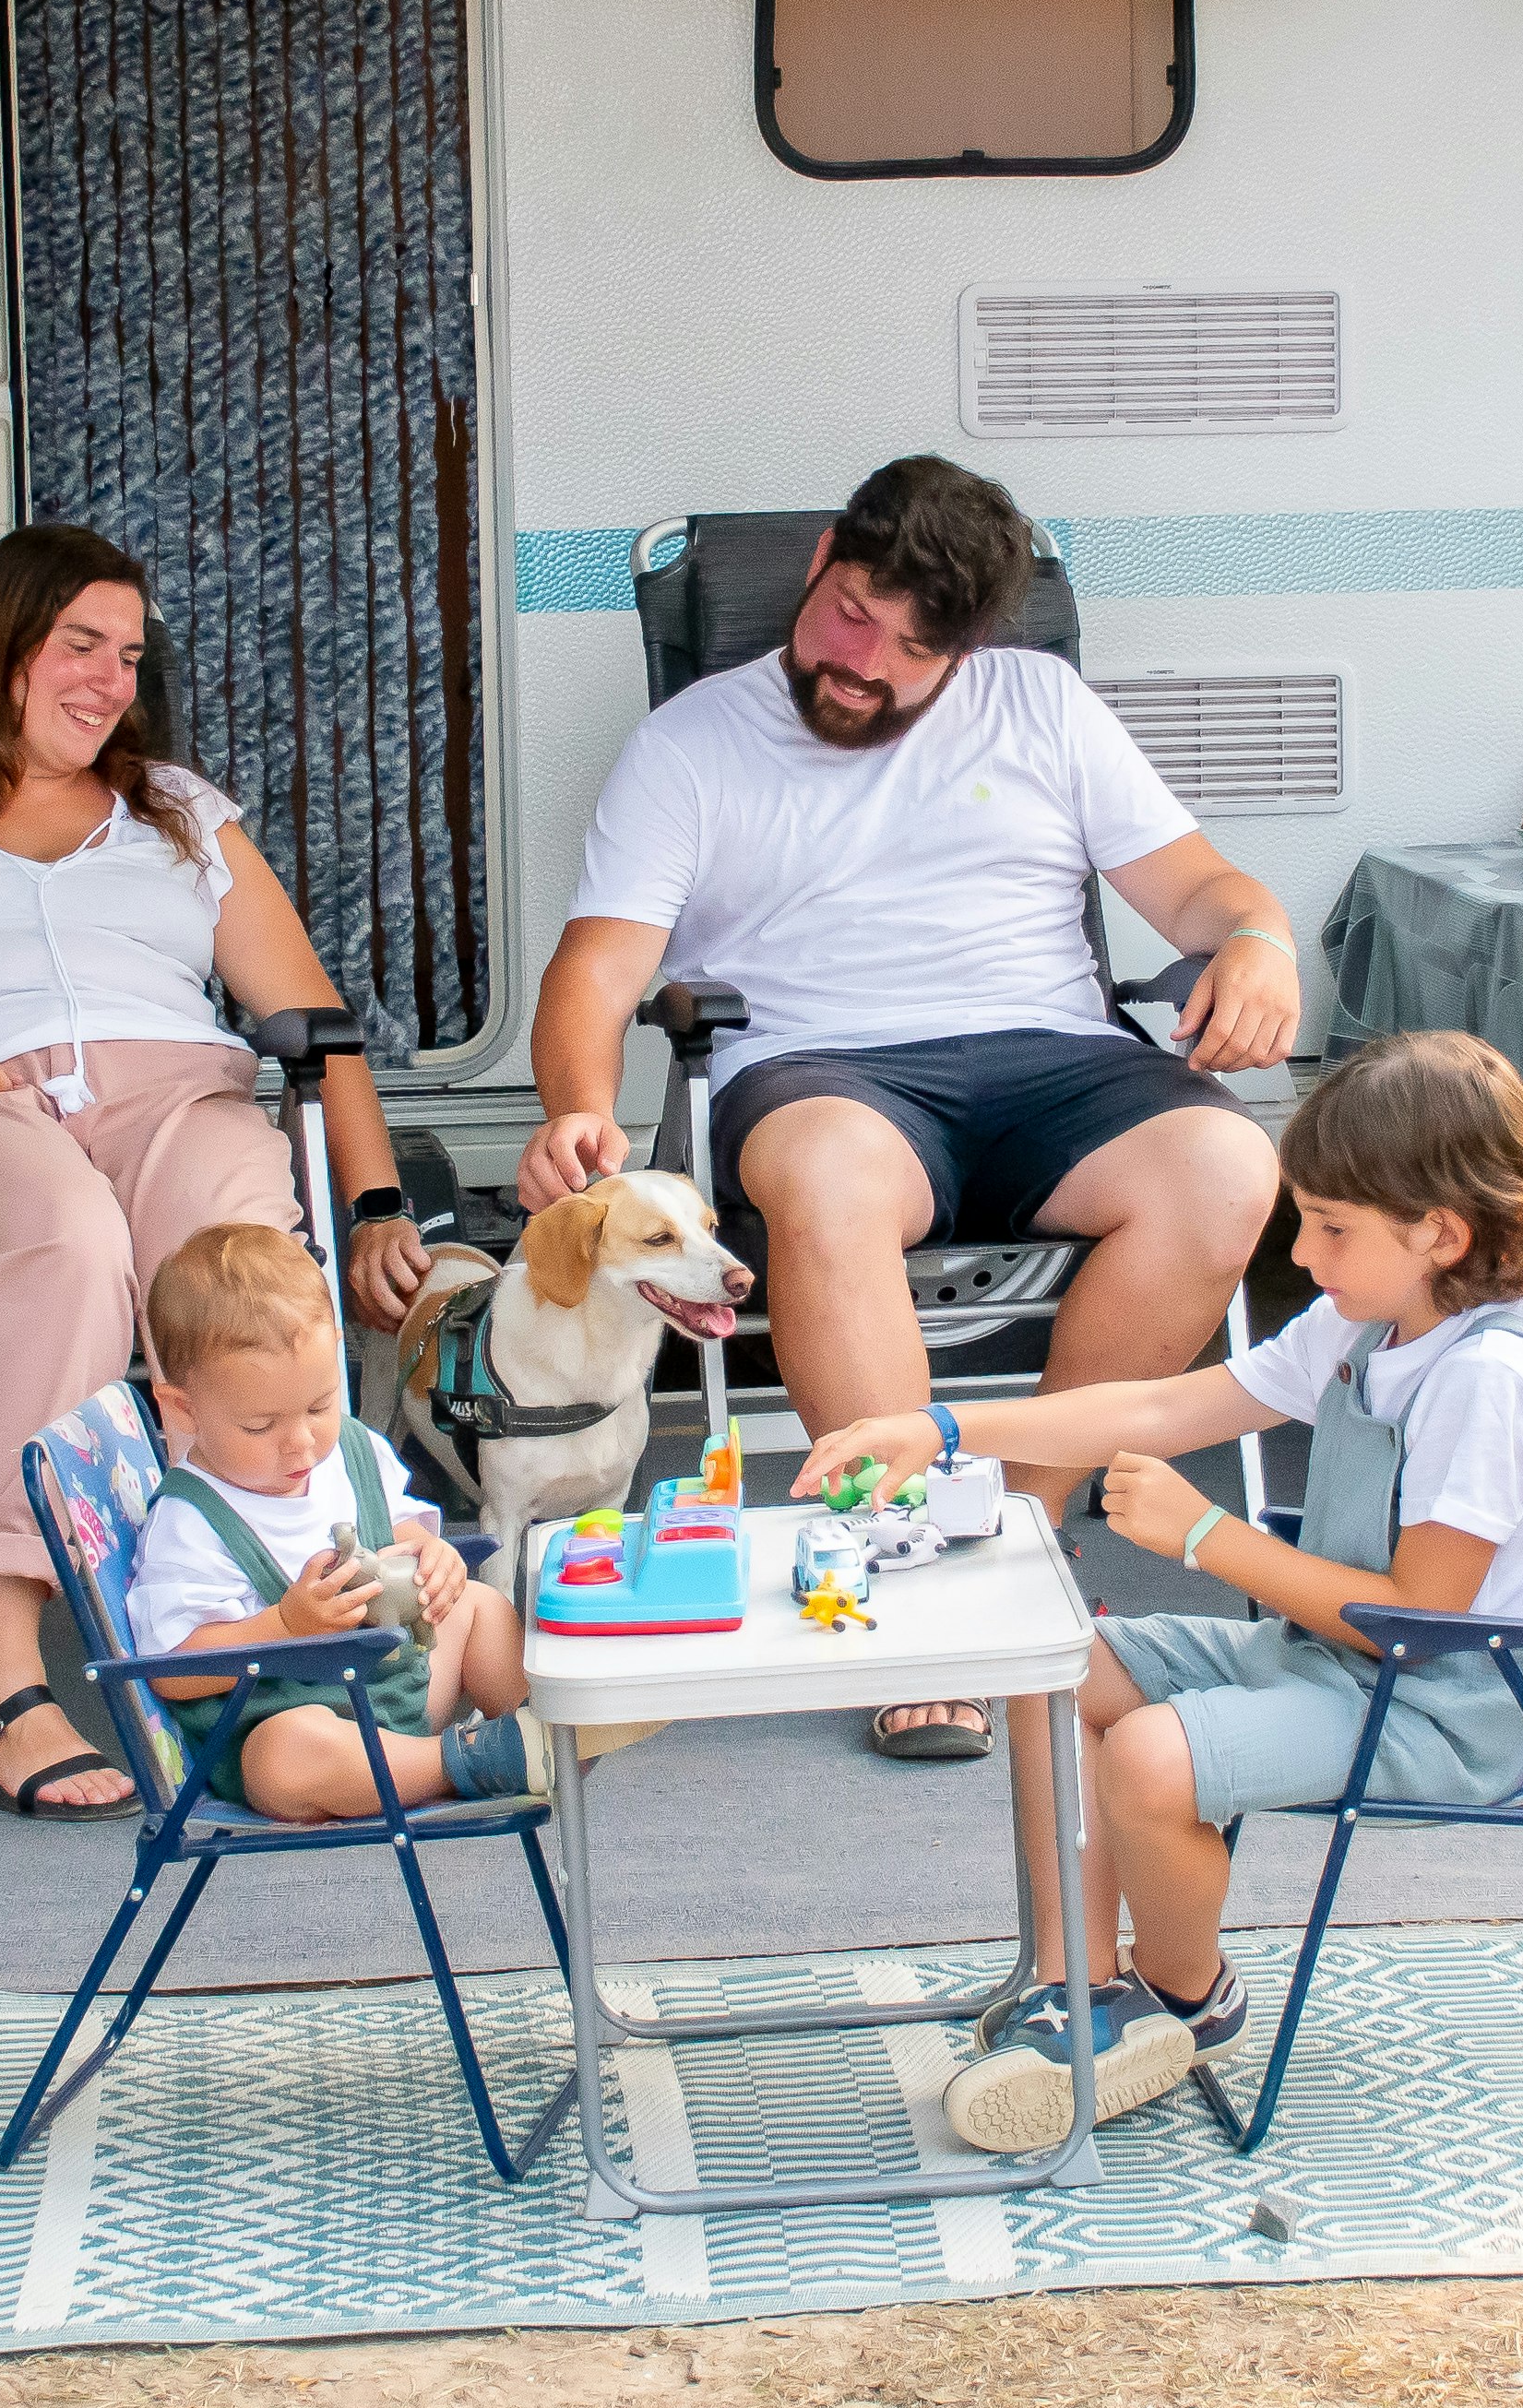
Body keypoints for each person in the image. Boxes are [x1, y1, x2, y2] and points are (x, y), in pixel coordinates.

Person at [516, 456, 1297, 1762]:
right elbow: (597, 966)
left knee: (1223, 1168)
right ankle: (920, 1561)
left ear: (973, 645)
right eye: (848, 612)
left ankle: (998, 1558)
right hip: (830, 1069)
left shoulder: (1042, 705)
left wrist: (1258, 938)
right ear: (821, 555)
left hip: (1053, 1056)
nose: (859, 662)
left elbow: (1201, 890)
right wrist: (576, 1110)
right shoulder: (693, 740)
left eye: (908, 649)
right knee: (825, 1173)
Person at [0, 524, 436, 1819]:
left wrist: (376, 1194)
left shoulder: (178, 811)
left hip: (173, 1094)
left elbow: (312, 1021)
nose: (111, 678)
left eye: (129, 655)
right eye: (80, 646)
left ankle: (299, 1617)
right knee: (62, 1240)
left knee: (240, 1267)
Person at [792, 1032, 1523, 2151]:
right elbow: (1163, 1410)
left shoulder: (1490, 1382)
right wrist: (934, 1425)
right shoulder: (1381, 1315)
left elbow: (1419, 1620)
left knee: (1150, 1754)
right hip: (1338, 1664)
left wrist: (1207, 1534)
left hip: (1447, 1712)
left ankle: (1184, 2000)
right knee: (1049, 1661)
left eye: (1330, 1228)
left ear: (1440, 1233)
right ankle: (1079, 1985)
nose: (1303, 1251)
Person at [121, 1228, 552, 1817]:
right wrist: (284, 1626)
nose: (300, 1444)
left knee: (478, 1604)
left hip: (397, 1688)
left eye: (320, 1406)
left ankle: (548, 1729)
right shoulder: (190, 1520)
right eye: (259, 1426)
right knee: (286, 1756)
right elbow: (174, 1672)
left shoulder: (349, 1451)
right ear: (183, 1409)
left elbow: (398, 1531)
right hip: (287, 1725)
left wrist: (433, 1555)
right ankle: (468, 1764)